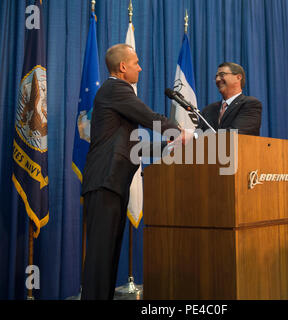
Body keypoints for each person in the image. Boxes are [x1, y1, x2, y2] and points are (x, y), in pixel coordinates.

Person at [81, 43, 190, 300]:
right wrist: (179, 133)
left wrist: (167, 145)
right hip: (105, 181)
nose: (140, 67)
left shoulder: (114, 95)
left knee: (108, 255)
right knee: (100, 257)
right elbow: (148, 116)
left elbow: (132, 147)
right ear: (122, 67)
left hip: (112, 182)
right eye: (136, 63)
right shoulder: (117, 89)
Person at [199, 62, 262, 136]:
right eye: (216, 77)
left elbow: (236, 133)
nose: (217, 79)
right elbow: (198, 133)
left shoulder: (250, 104)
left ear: (238, 77)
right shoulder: (208, 110)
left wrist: (200, 135)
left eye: (222, 75)